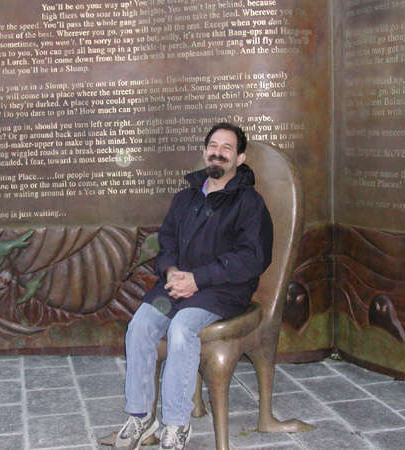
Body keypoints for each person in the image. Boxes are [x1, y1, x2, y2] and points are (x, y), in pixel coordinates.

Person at [115, 123, 273, 450]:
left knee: (182, 329)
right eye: (213, 145)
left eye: (227, 148)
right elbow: (167, 242)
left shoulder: (249, 203)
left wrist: (198, 279)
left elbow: (252, 257)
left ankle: (176, 424)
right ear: (204, 151)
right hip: (176, 285)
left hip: (222, 291)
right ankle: (141, 417)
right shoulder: (185, 198)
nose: (218, 152)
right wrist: (171, 271)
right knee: (140, 325)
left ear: (240, 158)